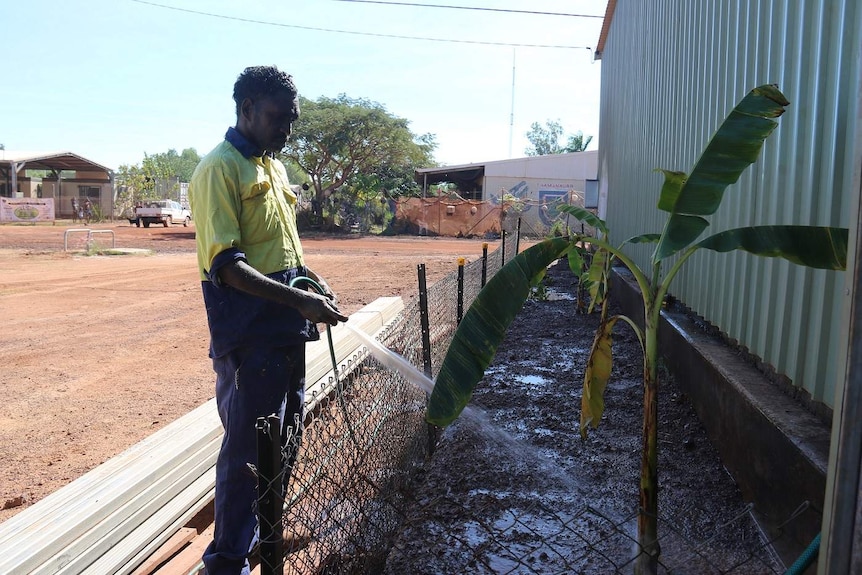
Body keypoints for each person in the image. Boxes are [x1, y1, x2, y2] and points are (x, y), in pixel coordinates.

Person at [189, 65, 347, 575]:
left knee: (286, 439)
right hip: (249, 332)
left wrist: (310, 283)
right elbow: (226, 266)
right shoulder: (220, 169)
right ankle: (227, 561)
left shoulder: (273, 169)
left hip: (284, 327)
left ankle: (266, 540)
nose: (286, 131)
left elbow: (281, 252)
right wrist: (298, 301)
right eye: (278, 119)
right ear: (247, 110)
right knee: (247, 456)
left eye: (292, 121)